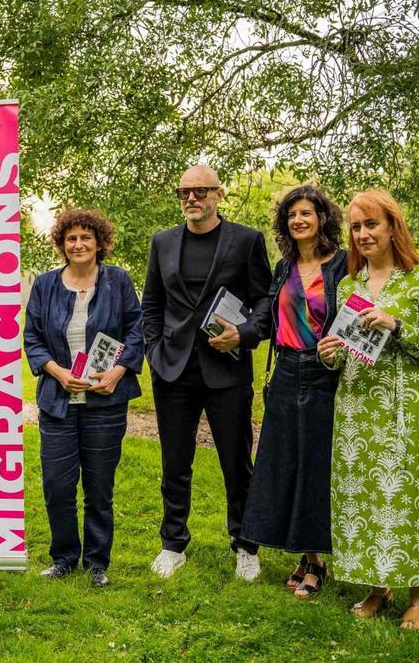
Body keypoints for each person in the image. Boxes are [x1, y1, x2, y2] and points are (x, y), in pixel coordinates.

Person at [317, 189, 419, 630]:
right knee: (369, 494)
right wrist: (329, 350)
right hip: (357, 407)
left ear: (392, 227)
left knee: (411, 496)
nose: (364, 234)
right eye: (356, 226)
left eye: (372, 224)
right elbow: (346, 351)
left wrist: (396, 324)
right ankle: (378, 586)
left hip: (409, 405)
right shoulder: (348, 285)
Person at [140, 165, 272, 581]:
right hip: (173, 370)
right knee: (174, 463)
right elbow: (151, 305)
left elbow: (264, 299)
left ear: (218, 194)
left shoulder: (246, 240)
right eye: (184, 192)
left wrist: (245, 334)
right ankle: (172, 544)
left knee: (237, 464)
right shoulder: (162, 242)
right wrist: (153, 352)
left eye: (200, 191)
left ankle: (245, 546)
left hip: (227, 372)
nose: (191, 199)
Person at [24, 209, 144, 587]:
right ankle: (63, 558)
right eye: (71, 238)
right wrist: (58, 373)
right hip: (57, 402)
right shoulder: (44, 286)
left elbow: (136, 330)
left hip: (105, 402)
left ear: (99, 243)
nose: (78, 244)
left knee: (98, 486)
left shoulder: (118, 281)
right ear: (62, 244)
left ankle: (97, 563)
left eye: (85, 238)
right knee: (58, 486)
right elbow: (33, 339)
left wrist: (118, 371)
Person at [239, 185, 347, 597]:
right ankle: (308, 556)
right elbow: (268, 316)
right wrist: (241, 332)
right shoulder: (283, 267)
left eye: (306, 213)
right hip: (284, 371)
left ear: (322, 218)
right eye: (291, 215)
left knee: (315, 467)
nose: (298, 220)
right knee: (285, 464)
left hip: (324, 373)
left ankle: (316, 561)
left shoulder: (342, 265)